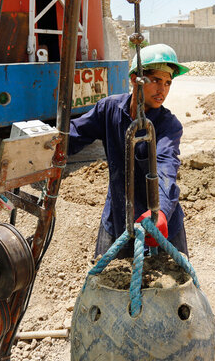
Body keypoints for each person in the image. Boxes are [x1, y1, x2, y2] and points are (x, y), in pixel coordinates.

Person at [68, 44, 190, 258]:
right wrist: (45, 143)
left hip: (159, 225)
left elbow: (166, 168)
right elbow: (73, 135)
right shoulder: (109, 109)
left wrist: (160, 212)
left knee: (172, 287)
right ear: (134, 79)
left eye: (168, 82)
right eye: (155, 80)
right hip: (117, 219)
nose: (163, 89)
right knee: (106, 283)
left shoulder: (168, 125)